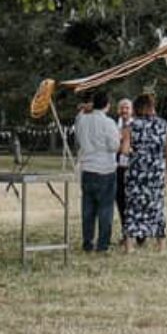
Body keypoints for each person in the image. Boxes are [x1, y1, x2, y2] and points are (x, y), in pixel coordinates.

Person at [123, 93, 167, 251]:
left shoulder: (131, 126)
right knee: (156, 206)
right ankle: (161, 244)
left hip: (137, 171)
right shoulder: (163, 125)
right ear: (152, 107)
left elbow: (124, 151)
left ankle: (130, 245)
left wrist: (134, 152)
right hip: (156, 171)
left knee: (133, 207)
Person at [74, 91, 122, 253]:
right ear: (107, 105)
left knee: (88, 208)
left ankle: (87, 242)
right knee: (105, 209)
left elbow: (78, 137)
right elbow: (114, 146)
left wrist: (84, 108)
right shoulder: (109, 123)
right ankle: (102, 245)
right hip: (105, 169)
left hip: (87, 167)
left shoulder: (81, 120)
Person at [113, 97, 135, 243]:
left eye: (127, 107)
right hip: (118, 168)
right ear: (118, 110)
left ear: (132, 110)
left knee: (134, 201)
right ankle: (125, 233)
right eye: (122, 107)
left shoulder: (137, 126)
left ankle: (139, 233)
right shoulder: (114, 126)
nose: (124, 110)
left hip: (133, 167)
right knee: (121, 200)